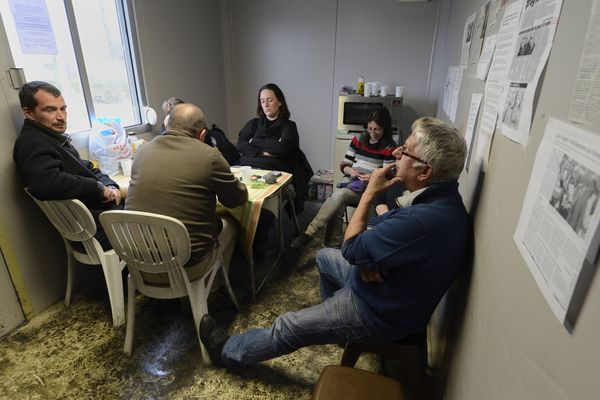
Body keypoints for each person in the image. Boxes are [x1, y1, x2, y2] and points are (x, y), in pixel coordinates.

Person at [199, 119, 470, 368]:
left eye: (406, 151)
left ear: (425, 171)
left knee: (288, 325)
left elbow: (352, 249)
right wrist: (369, 256)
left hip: (379, 313)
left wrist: (370, 195)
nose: (397, 153)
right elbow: (383, 232)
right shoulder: (444, 202)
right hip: (388, 289)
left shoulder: (422, 220)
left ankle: (227, 352)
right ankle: (337, 324)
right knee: (325, 256)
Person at [125, 103, 247, 282]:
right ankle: (213, 289)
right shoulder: (209, 156)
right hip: (185, 262)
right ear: (202, 134)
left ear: (167, 125)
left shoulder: (142, 151)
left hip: (137, 258)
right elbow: (237, 199)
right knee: (232, 222)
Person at [13, 81, 122, 249]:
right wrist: (98, 188)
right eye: (50, 110)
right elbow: (46, 181)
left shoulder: (51, 137)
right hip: (95, 230)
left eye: (63, 109)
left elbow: (86, 166)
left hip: (100, 220)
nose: (60, 116)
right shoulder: (32, 143)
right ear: (29, 112)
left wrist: (109, 185)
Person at [291, 107, 396, 250]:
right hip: (352, 182)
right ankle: (331, 246)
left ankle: (310, 232)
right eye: (369, 128)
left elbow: (388, 176)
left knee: (339, 195)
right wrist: (351, 170)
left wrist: (372, 177)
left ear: (385, 128)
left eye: (376, 129)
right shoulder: (359, 139)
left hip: (370, 191)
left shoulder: (390, 147)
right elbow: (345, 163)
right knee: (338, 202)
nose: (372, 133)